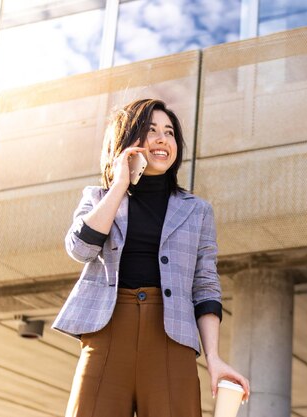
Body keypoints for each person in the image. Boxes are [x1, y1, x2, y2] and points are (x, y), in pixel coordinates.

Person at [52, 98, 250, 417]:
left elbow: (206, 287)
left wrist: (213, 357)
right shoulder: (98, 198)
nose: (162, 139)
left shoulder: (197, 210)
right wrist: (119, 185)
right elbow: (80, 249)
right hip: (107, 334)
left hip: (171, 340)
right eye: (151, 130)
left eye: (169, 132)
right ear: (128, 140)